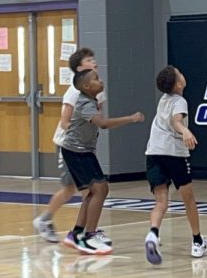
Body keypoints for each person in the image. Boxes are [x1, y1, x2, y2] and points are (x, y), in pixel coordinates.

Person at [59, 69, 144, 255]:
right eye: (96, 79)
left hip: (81, 151)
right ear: (86, 86)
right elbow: (103, 124)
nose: (101, 80)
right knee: (101, 189)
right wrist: (131, 118)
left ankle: (77, 233)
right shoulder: (85, 103)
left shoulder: (92, 100)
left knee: (93, 191)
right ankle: (89, 236)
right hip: (77, 152)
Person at [33, 47, 105, 246]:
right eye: (90, 60)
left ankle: (81, 232)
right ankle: (49, 222)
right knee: (74, 189)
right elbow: (65, 121)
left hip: (84, 147)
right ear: (80, 67)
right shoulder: (74, 91)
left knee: (85, 189)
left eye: (94, 58)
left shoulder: (97, 89)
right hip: (70, 146)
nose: (94, 62)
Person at [144, 65, 207, 264]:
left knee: (161, 201)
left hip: (154, 152)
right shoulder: (180, 101)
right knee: (188, 199)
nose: (183, 73)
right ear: (179, 83)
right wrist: (185, 131)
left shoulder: (163, 100)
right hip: (174, 154)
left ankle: (153, 234)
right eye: (180, 73)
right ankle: (197, 241)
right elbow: (176, 120)